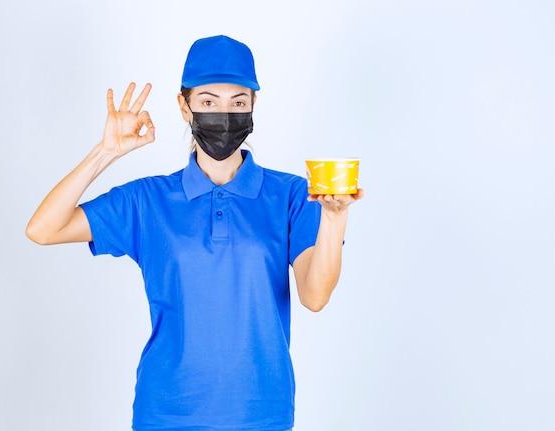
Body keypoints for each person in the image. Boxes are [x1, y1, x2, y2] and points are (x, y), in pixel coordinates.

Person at [26, 35, 363, 431]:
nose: (224, 113)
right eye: (208, 101)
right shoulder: (148, 200)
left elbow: (315, 296)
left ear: (254, 104)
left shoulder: (291, 194)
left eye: (238, 102)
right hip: (166, 412)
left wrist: (336, 216)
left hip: (261, 413)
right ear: (184, 106)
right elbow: (43, 229)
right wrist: (107, 152)